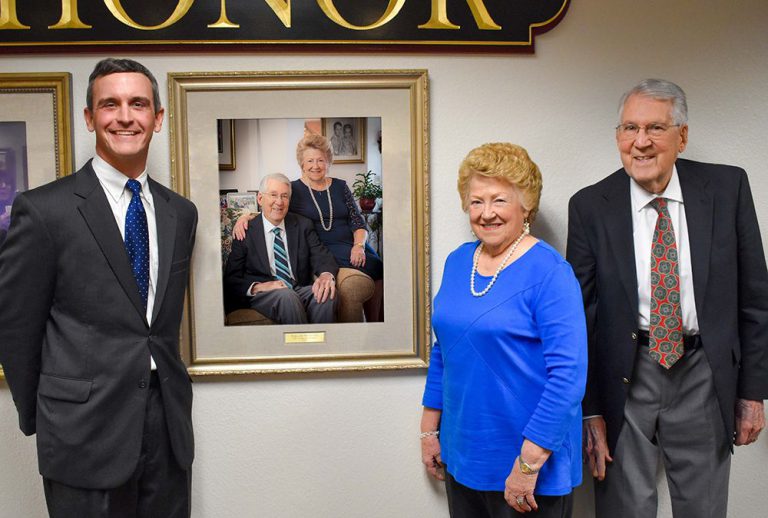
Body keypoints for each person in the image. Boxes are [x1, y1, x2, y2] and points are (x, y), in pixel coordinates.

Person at [0, 58, 198, 518]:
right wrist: (49, 416)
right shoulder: (44, 210)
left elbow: (156, 324)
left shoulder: (180, 213)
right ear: (90, 118)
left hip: (166, 424)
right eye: (110, 104)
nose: (125, 116)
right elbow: (15, 327)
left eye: (138, 104)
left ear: (158, 118)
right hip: (81, 430)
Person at [566, 79, 768, 518]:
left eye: (655, 128)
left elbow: (755, 300)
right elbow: (581, 317)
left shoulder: (728, 188)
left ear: (682, 136)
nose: (640, 142)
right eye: (628, 128)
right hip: (625, 374)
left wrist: (753, 393)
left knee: (703, 507)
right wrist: (590, 410)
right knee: (625, 507)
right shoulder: (589, 206)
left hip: (702, 372)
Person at [420, 143, 587, 517]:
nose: (487, 213)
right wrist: (429, 431)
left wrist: (527, 465)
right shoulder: (459, 261)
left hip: (527, 464)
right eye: (476, 201)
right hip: (463, 453)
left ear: (525, 205)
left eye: (499, 200)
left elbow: (568, 379)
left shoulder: (550, 273)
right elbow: (443, 351)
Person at [234, 133, 384, 321]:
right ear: (302, 164)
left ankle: (375, 322)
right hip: (322, 247)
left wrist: (359, 245)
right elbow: (273, 207)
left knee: (377, 265)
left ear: (328, 161)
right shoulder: (293, 190)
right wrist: (245, 216)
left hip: (351, 243)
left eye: (321, 160)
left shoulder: (340, 186)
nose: (315, 165)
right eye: (310, 161)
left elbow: (357, 220)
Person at [224, 173, 338, 324]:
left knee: (327, 292)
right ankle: (301, 348)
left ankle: (321, 347)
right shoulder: (245, 231)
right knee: (286, 296)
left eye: (284, 196)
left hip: (298, 288)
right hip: (265, 293)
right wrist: (259, 287)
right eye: (273, 195)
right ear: (260, 199)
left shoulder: (303, 225)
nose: (279, 202)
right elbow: (231, 279)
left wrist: (325, 274)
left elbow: (321, 255)